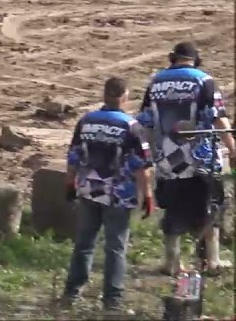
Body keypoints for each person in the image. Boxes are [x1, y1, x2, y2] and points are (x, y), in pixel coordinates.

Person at [137, 42, 235, 275]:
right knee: (211, 206)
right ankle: (212, 261)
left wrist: (149, 154)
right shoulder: (204, 81)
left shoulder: (155, 82)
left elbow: (146, 122)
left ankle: (172, 262)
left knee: (172, 208)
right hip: (201, 160)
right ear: (195, 59)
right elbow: (218, 118)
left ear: (173, 58)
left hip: (167, 162)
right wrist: (232, 147)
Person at [59, 76, 154, 313]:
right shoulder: (132, 127)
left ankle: (72, 291)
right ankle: (112, 299)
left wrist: (70, 184)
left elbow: (74, 156)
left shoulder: (86, 122)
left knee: (84, 243)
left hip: (89, 191)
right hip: (118, 196)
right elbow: (142, 166)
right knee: (115, 247)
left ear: (103, 95)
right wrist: (148, 196)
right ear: (124, 97)